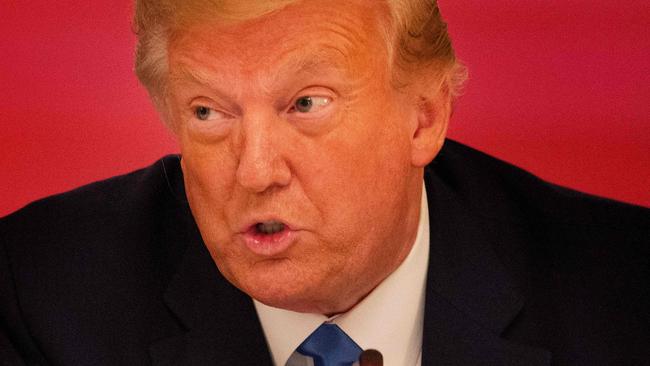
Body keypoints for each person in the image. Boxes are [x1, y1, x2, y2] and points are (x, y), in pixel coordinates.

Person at [1, 1, 648, 365]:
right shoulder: (42, 294)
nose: (254, 171)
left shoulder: (622, 294)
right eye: (208, 113)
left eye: (305, 104)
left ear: (423, 116)